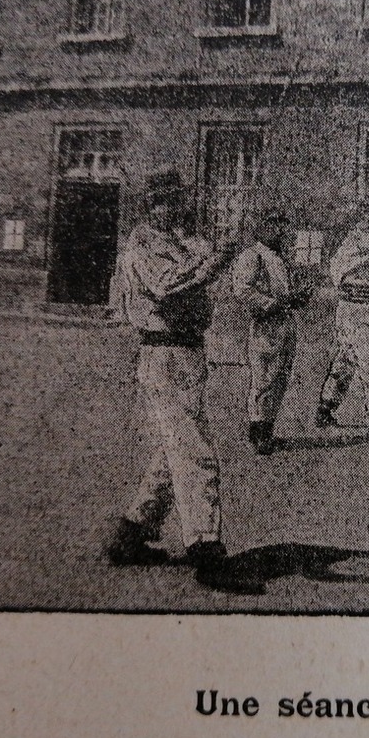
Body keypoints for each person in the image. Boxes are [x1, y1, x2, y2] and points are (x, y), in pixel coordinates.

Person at [105, 170, 234, 570]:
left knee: (170, 452)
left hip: (189, 354)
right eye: (162, 199)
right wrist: (211, 262)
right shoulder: (142, 243)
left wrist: (215, 255)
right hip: (163, 355)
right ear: (150, 203)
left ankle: (130, 534)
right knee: (194, 452)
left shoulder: (181, 240)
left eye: (176, 198)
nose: (171, 206)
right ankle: (204, 546)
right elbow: (166, 286)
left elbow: (202, 266)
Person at [316, 202, 369, 440]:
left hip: (354, 309)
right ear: (358, 220)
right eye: (366, 217)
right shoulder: (356, 242)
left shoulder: (368, 243)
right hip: (358, 309)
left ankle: (325, 409)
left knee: (345, 362)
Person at [232, 212, 309, 455]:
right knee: (264, 379)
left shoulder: (280, 258)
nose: (280, 231)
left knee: (280, 379)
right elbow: (243, 290)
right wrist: (274, 303)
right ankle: (258, 434)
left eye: (282, 226)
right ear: (262, 227)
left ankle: (268, 429)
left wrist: (298, 298)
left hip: (284, 324)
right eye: (274, 225)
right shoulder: (252, 255)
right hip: (265, 326)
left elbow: (285, 293)